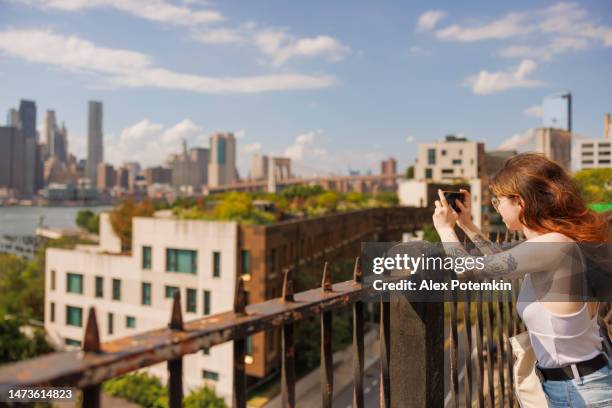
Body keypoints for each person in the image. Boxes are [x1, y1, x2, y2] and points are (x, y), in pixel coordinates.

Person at [431, 153, 611, 407]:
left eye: (498, 201)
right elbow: (504, 264)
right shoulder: (554, 243)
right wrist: (467, 225)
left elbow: (467, 270)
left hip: (582, 392)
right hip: (577, 385)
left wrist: (444, 229)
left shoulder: (553, 246)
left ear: (520, 202)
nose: (497, 208)